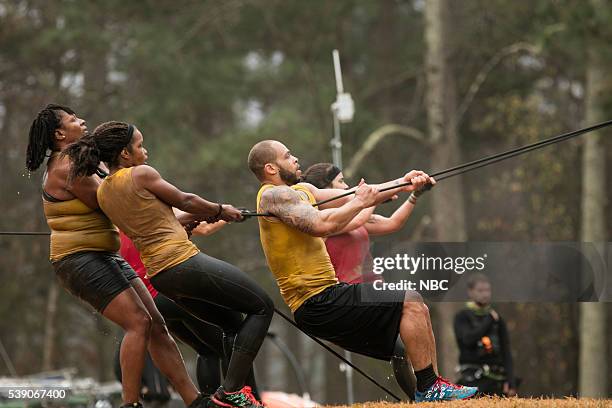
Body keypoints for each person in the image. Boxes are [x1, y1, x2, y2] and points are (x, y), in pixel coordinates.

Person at [247, 140, 478, 402]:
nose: (295, 158)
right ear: (270, 168)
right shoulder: (272, 196)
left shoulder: (303, 190)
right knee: (410, 302)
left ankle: (433, 388)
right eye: (287, 156)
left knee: (416, 306)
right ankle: (429, 389)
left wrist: (404, 183)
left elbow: (355, 194)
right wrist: (362, 201)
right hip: (316, 302)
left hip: (331, 294)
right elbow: (322, 224)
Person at [65, 121, 273, 408]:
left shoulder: (104, 192)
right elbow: (185, 199)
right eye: (139, 146)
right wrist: (220, 210)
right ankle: (231, 392)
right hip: (181, 262)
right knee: (262, 306)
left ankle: (236, 398)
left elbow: (159, 222)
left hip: (161, 277)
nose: (145, 151)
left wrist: (195, 219)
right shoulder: (141, 174)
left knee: (231, 324)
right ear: (125, 154)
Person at [26, 105, 207, 408]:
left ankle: (195, 401)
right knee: (138, 322)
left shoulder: (81, 162)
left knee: (156, 324)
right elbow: (115, 205)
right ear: (59, 134)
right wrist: (179, 217)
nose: (82, 121)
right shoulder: (66, 168)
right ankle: (130, 403)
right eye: (73, 120)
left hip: (104, 255)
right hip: (79, 260)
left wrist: (179, 219)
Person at [302, 162, 426, 398]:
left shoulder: (357, 213)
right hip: (349, 297)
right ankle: (420, 397)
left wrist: (414, 197)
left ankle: (425, 393)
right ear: (326, 189)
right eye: (341, 182)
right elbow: (357, 221)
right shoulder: (323, 220)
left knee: (408, 336)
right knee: (399, 347)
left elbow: (392, 224)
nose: (346, 186)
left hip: (371, 291)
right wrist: (373, 198)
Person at [116, 225, 262, 402]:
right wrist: (226, 212)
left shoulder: (116, 223)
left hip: (150, 302)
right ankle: (245, 400)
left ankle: (208, 404)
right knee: (232, 341)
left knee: (206, 350)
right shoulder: (145, 211)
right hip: (169, 291)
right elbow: (204, 228)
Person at [454, 273, 516, 397]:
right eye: (480, 290)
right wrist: (488, 321)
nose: (485, 294)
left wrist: (511, 381)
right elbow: (468, 339)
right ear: (470, 292)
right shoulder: (462, 317)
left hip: (497, 381)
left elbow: (506, 351)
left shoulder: (497, 319)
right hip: (472, 380)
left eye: (487, 290)